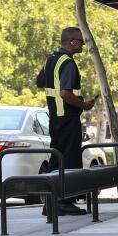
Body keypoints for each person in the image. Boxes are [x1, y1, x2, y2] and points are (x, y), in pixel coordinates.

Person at [36, 27, 97, 215]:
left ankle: (51, 203)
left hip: (55, 118)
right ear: (72, 42)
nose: (82, 44)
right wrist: (84, 105)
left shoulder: (50, 60)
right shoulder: (68, 63)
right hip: (68, 119)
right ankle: (63, 202)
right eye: (80, 40)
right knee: (69, 161)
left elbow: (40, 82)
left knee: (57, 160)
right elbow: (64, 93)